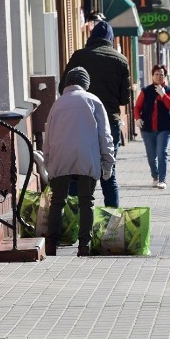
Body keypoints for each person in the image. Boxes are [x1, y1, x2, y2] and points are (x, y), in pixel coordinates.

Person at [59, 13, 131, 208]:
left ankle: (74, 223)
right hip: (110, 122)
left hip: (80, 123)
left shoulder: (79, 56)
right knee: (109, 175)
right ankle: (111, 226)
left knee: (77, 175)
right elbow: (125, 98)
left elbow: (62, 89)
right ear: (111, 39)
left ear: (91, 37)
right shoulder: (121, 60)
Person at [43, 67, 115, 257]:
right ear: (85, 84)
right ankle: (84, 245)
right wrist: (108, 163)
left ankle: (51, 245)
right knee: (87, 202)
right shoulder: (93, 101)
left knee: (57, 201)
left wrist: (48, 163)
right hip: (87, 156)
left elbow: (48, 137)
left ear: (67, 83)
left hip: (61, 156)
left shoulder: (57, 104)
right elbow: (105, 136)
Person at [134, 64, 170, 189]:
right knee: (151, 155)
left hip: (164, 128)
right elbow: (137, 107)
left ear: (165, 76)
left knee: (162, 152)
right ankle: (155, 175)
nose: (159, 77)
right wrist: (137, 118)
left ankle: (162, 180)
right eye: (156, 74)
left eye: (161, 75)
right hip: (147, 128)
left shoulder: (169, 91)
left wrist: (164, 95)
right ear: (152, 76)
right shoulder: (146, 91)